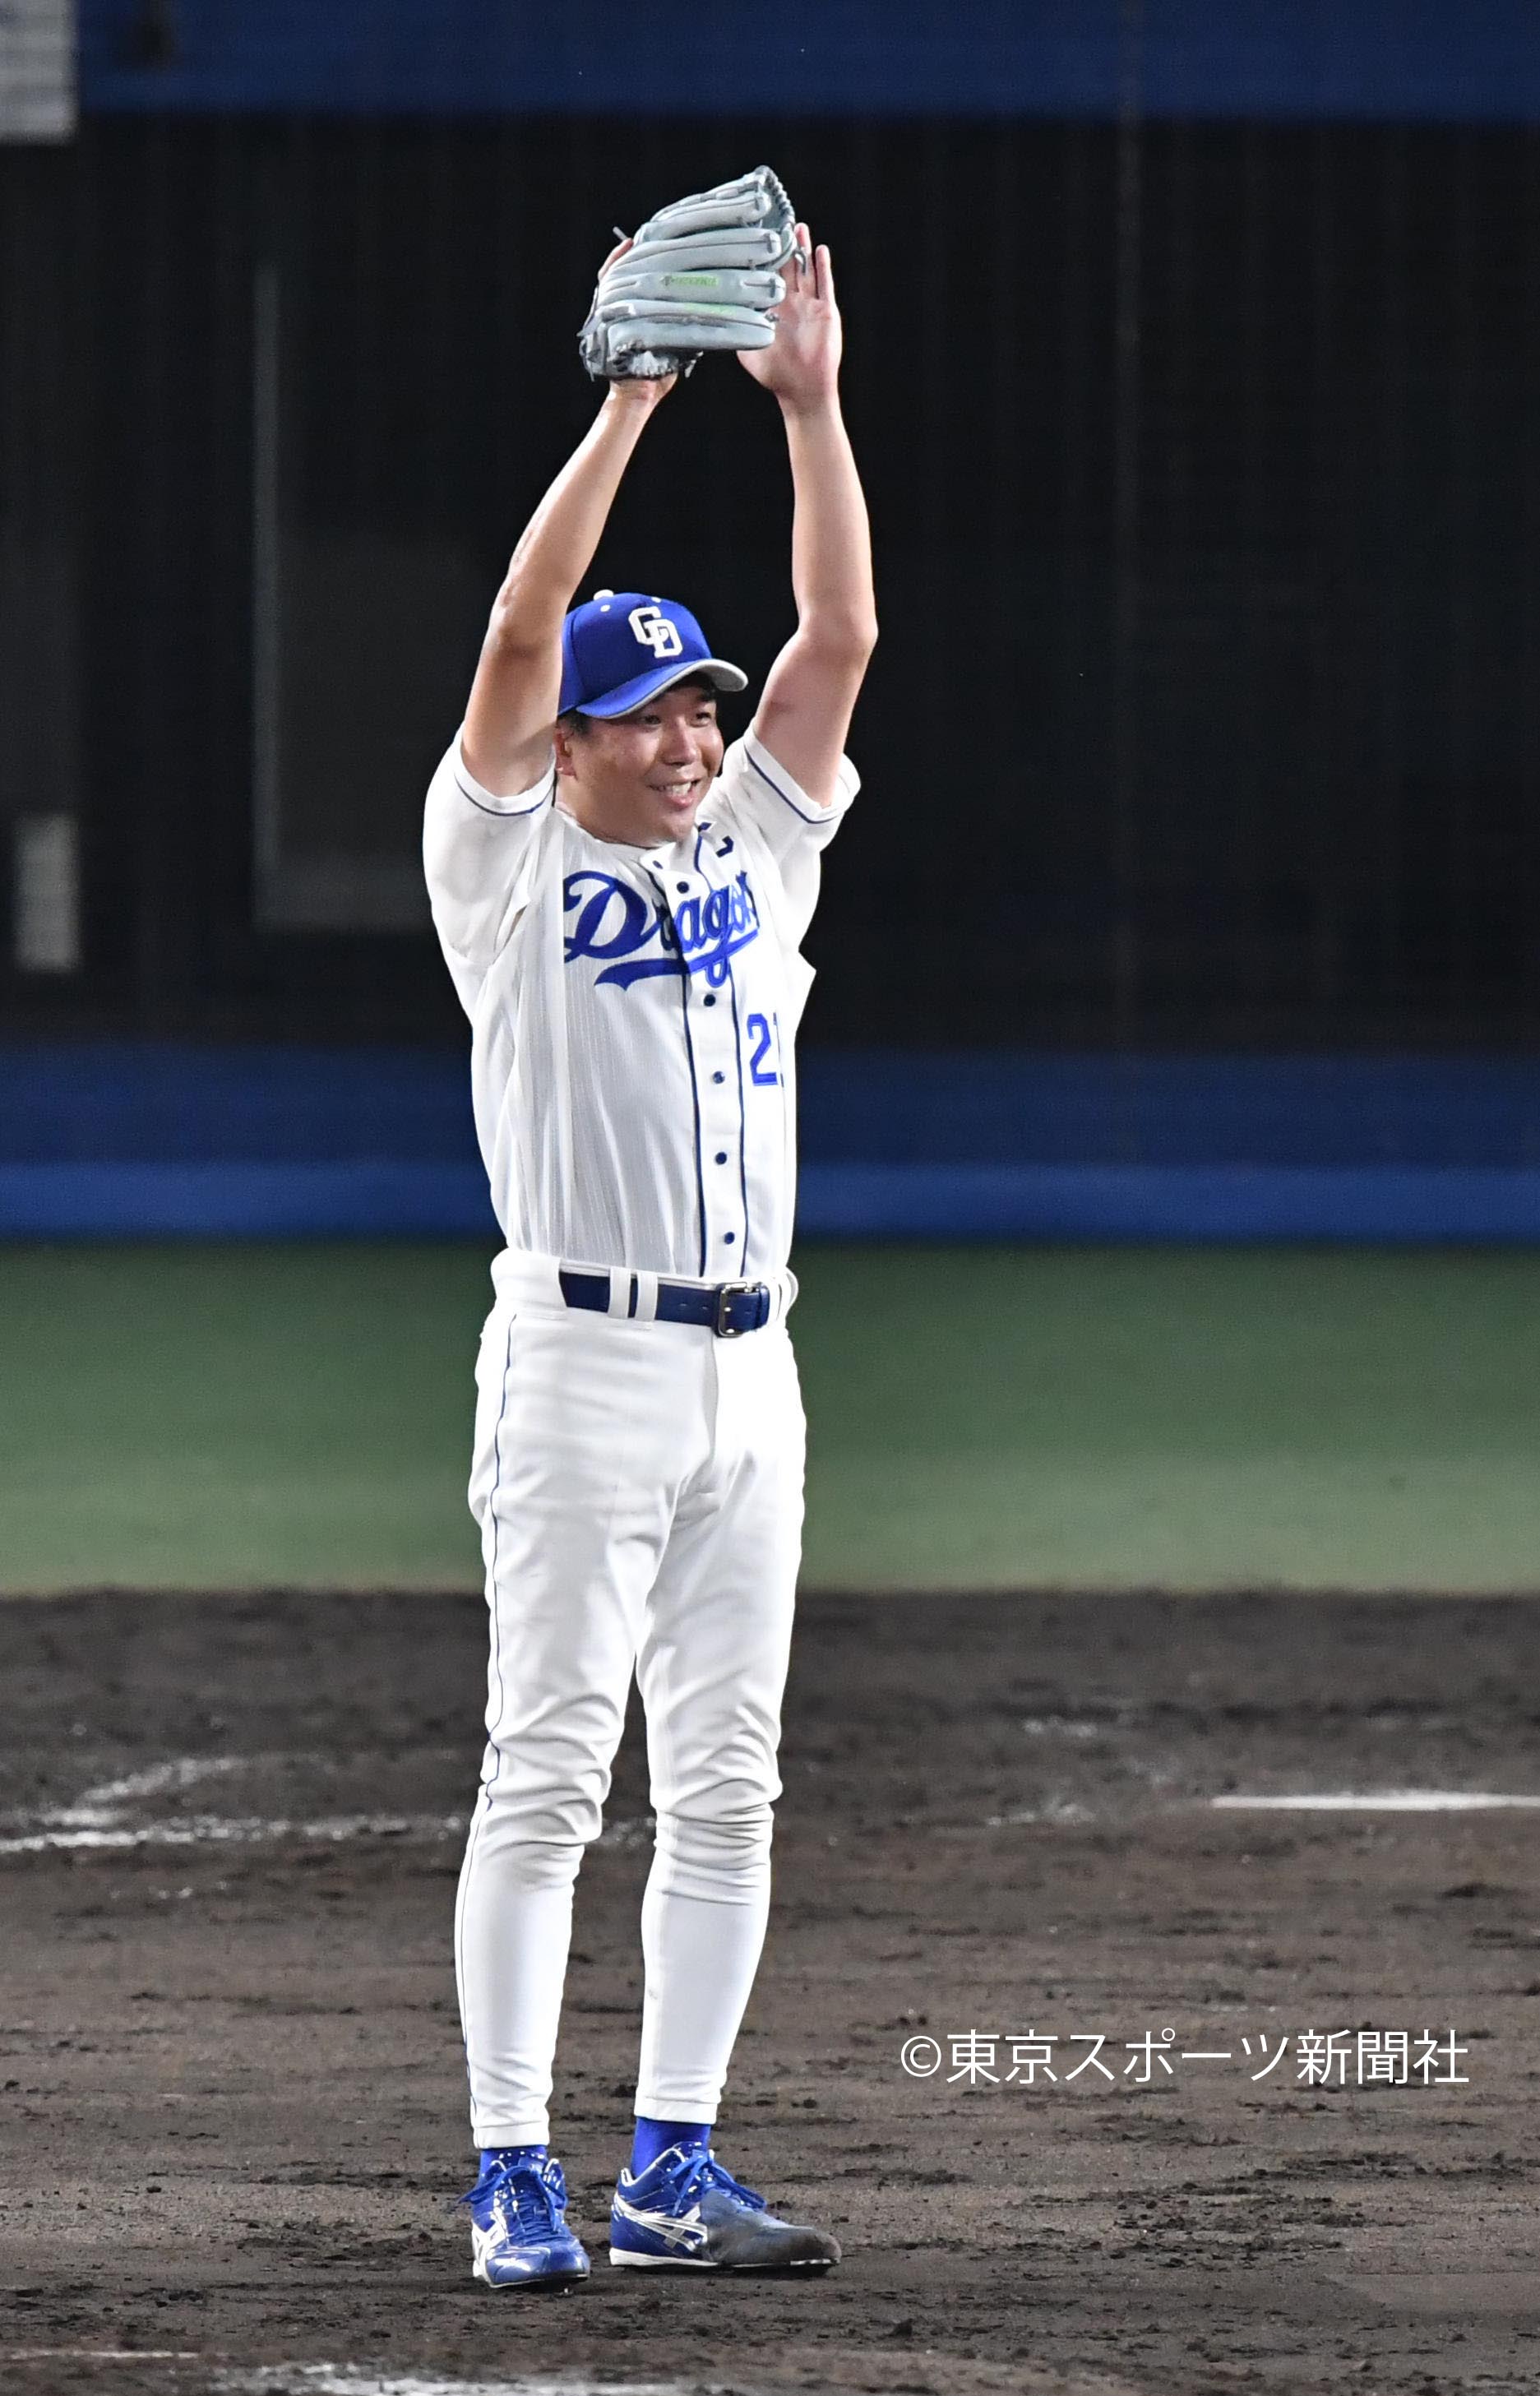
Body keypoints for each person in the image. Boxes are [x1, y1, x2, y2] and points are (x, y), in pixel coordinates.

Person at [421, 221, 876, 2286]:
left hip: (750, 1373)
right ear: (572, 743)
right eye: (648, 715)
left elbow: (836, 633)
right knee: (544, 1775)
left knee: (726, 1783)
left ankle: (669, 2162)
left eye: (697, 706)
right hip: (580, 1365)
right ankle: (511, 2163)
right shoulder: (502, 867)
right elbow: (523, 630)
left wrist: (808, 409)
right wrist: (623, 411)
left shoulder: (754, 854)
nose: (689, 738)